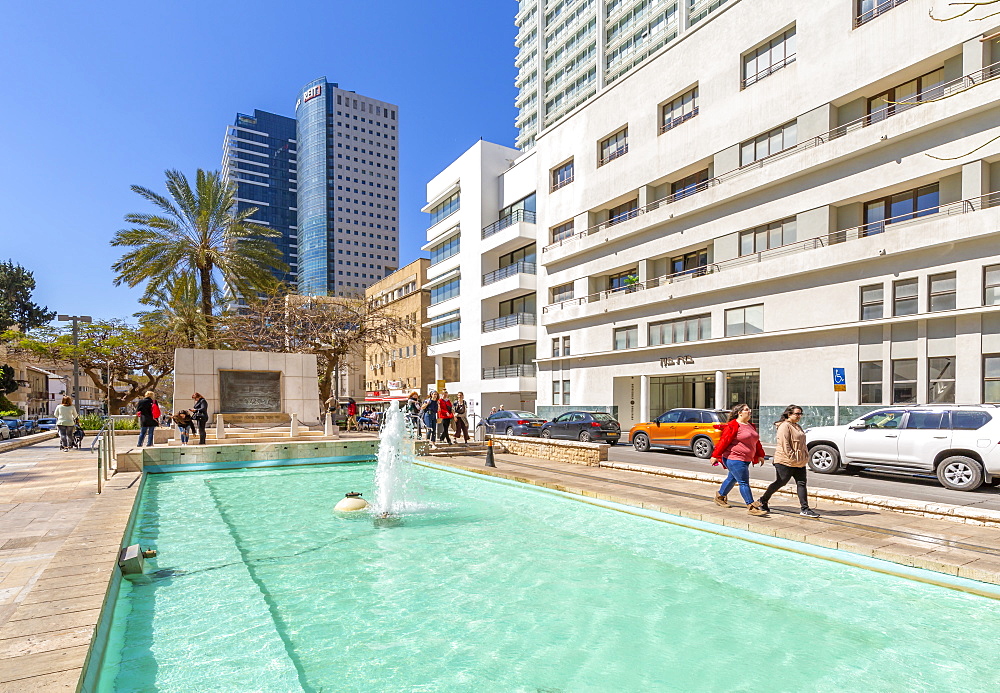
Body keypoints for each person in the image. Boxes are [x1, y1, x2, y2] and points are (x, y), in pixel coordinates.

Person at [758, 405, 820, 518]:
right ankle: (763, 500)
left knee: (801, 483)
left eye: (800, 414)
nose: (799, 416)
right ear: (789, 414)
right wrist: (792, 457)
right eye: (796, 414)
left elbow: (802, 443)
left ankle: (805, 508)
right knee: (781, 482)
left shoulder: (797, 426)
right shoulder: (784, 426)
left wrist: (805, 456)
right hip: (785, 461)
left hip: (799, 461)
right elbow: (784, 444)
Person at [711, 403, 768, 516]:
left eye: (749, 409)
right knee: (743, 482)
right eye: (747, 410)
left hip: (745, 458)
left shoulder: (750, 425)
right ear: (739, 413)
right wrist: (715, 456)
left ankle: (720, 497)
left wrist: (760, 455)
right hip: (734, 458)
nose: (750, 411)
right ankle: (751, 506)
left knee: (732, 478)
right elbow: (724, 441)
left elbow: (756, 442)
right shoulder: (732, 425)